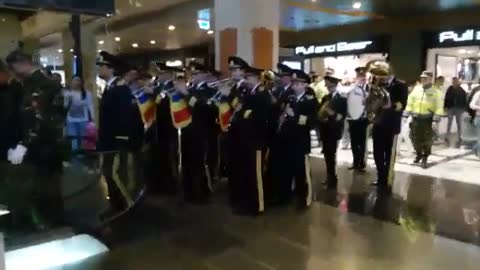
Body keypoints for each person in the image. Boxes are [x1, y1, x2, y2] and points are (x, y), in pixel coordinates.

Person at [6, 50, 68, 226]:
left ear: (20, 64)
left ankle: (55, 230)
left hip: (45, 148)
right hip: (40, 147)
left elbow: (41, 119)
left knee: (48, 193)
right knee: (42, 193)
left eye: (13, 68)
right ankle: (49, 225)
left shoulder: (41, 85)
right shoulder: (31, 84)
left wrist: (24, 144)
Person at [276, 69, 319, 208]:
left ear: (305, 85)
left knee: (301, 172)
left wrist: (293, 116)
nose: (294, 86)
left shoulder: (310, 101)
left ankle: (304, 198)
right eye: (293, 83)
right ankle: (285, 196)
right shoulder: (290, 98)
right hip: (287, 139)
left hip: (300, 141)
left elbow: (311, 122)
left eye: (298, 84)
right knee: (286, 170)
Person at [235, 66, 272, 214]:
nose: (246, 80)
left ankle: (258, 205)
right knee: (248, 172)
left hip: (257, 138)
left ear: (257, 78)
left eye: (248, 77)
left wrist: (244, 112)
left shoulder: (262, 93)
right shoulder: (248, 92)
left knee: (256, 173)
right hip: (247, 137)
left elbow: (262, 116)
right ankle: (248, 202)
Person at [181, 62, 217, 203]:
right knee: (187, 163)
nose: (194, 76)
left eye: (197, 74)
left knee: (200, 163)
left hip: (202, 131)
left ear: (205, 75)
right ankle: (188, 192)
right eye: (193, 73)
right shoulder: (191, 88)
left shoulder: (210, 90)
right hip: (187, 131)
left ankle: (203, 193)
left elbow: (207, 108)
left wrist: (187, 95)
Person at [370, 62, 408, 190]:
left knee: (389, 153)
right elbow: (372, 100)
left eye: (382, 74)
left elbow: (402, 104)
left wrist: (389, 105)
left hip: (391, 123)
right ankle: (380, 176)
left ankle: (387, 178)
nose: (380, 77)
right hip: (378, 122)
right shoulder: (378, 84)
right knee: (377, 152)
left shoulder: (400, 85)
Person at [404, 71, 444, 169]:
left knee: (427, 140)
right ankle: (419, 154)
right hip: (416, 118)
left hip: (428, 119)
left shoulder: (436, 91)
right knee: (413, 137)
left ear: (430, 79)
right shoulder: (417, 89)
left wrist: (435, 120)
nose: (423, 79)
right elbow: (410, 101)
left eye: (425, 78)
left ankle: (425, 157)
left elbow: (439, 106)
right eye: (422, 78)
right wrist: (406, 114)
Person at [224, 56, 249, 208]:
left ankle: (241, 197)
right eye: (231, 70)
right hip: (232, 130)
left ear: (243, 71)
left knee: (241, 166)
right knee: (232, 164)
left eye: (235, 70)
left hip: (242, 131)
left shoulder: (246, 87)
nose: (232, 73)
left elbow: (241, 108)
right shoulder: (233, 86)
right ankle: (234, 195)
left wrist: (229, 96)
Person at [318, 74, 347, 189]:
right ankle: (329, 176)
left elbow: (341, 117)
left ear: (335, 85)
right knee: (326, 155)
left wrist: (332, 113)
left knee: (331, 155)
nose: (328, 88)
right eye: (327, 86)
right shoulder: (326, 98)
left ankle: (332, 179)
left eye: (329, 85)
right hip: (324, 130)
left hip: (333, 131)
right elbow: (319, 112)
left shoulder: (342, 99)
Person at [346, 67, 369, 172]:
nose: (361, 78)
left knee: (362, 142)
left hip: (363, 119)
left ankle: (362, 162)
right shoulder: (352, 88)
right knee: (354, 142)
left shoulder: (370, 88)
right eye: (359, 77)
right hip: (352, 118)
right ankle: (355, 162)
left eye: (363, 76)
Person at [64, 76, 95, 152]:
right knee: (73, 137)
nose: (76, 82)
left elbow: (90, 105)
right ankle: (74, 153)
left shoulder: (87, 93)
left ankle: (83, 152)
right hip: (71, 119)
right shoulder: (67, 93)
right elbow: (65, 106)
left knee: (83, 137)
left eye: (78, 80)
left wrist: (92, 117)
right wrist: (67, 99)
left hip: (83, 119)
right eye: (74, 80)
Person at [444, 77, 468, 147]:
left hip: (459, 108)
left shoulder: (461, 90)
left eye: (455, 81)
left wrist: (464, 108)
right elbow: (446, 98)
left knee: (459, 123)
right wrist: (445, 107)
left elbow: (464, 100)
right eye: (453, 81)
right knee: (449, 123)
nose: (454, 82)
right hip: (451, 108)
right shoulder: (450, 89)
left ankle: (460, 136)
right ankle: (447, 136)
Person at [469, 88, 480, 157]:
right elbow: (471, 105)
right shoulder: (478, 94)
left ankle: (475, 148)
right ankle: (477, 150)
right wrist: (479, 107)